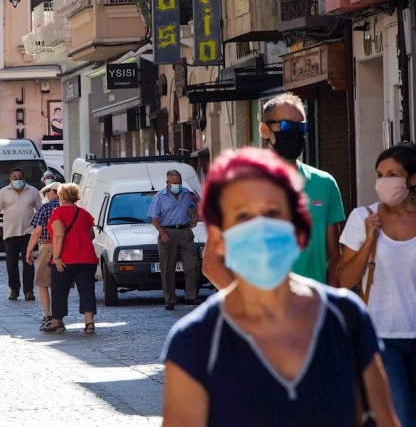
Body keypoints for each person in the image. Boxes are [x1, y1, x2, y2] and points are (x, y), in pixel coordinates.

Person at [161, 147, 399, 427]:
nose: (260, 227)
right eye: (242, 216)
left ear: (298, 228)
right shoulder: (196, 340)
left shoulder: (345, 318)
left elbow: (384, 419)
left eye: (273, 213)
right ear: (218, 237)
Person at [337, 142, 416, 427]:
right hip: (380, 335)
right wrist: (369, 241)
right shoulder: (362, 217)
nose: (384, 182)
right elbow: (344, 279)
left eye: (392, 175)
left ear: (413, 179)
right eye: (380, 174)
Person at [202, 92, 345, 289]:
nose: (294, 133)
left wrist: (326, 307)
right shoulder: (238, 186)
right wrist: (249, 308)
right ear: (264, 130)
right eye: (286, 126)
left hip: (310, 312)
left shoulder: (325, 183)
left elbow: (334, 255)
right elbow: (212, 264)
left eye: (300, 127)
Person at [42, 183, 98, 334]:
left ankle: (57, 322)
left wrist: (57, 256)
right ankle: (89, 322)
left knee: (59, 291)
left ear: (61, 196)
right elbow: (91, 235)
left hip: (66, 259)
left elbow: (59, 235)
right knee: (87, 290)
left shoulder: (57, 213)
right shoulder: (84, 213)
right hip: (86, 258)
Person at [148, 170, 201, 310]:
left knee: (191, 264)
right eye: (174, 183)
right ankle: (170, 299)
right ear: (167, 183)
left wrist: (194, 216)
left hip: (184, 231)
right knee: (167, 267)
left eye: (179, 182)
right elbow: (154, 217)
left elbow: (192, 208)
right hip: (167, 231)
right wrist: (162, 233)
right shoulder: (159, 197)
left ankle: (191, 296)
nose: (177, 185)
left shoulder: (186, 194)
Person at [0, 167, 42, 301]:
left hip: (29, 232)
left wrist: (41, 228)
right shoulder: (3, 192)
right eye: (15, 177)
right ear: (10, 179)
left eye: (20, 177)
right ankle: (14, 289)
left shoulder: (33, 191)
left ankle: (29, 290)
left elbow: (40, 210)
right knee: (11, 263)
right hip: (10, 232)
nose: (17, 180)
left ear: (24, 178)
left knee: (29, 262)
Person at [25, 181, 61, 330]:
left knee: (42, 283)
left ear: (53, 193)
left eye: (47, 193)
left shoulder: (46, 208)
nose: (46, 196)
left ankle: (48, 316)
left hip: (47, 246)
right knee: (59, 285)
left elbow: (37, 231)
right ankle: (59, 318)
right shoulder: (71, 207)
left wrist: (29, 250)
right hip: (65, 248)